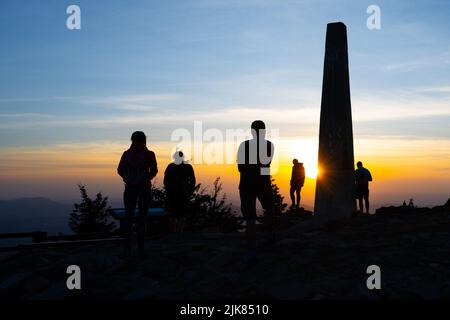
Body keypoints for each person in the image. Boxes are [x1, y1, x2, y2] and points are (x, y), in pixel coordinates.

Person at [237, 120, 275, 266]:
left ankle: (252, 251)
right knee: (269, 208)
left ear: (252, 131)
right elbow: (267, 165)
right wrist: (264, 179)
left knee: (250, 218)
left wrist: (249, 173)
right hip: (263, 183)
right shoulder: (269, 145)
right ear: (264, 131)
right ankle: (271, 234)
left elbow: (240, 168)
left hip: (246, 184)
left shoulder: (244, 146)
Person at [117, 131, 158, 259]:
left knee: (128, 218)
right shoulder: (149, 154)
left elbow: (119, 170)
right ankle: (141, 249)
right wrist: (146, 179)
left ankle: (126, 249)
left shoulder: (126, 154)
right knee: (142, 219)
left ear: (132, 140)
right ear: (144, 140)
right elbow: (154, 170)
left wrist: (128, 179)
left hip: (129, 188)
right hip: (144, 188)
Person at [164, 151, 196, 235]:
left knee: (174, 213)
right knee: (181, 213)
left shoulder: (171, 167)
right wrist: (189, 191)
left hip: (176, 193)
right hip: (180, 193)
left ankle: (174, 232)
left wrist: (168, 190)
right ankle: (178, 232)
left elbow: (166, 181)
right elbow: (192, 181)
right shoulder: (187, 167)